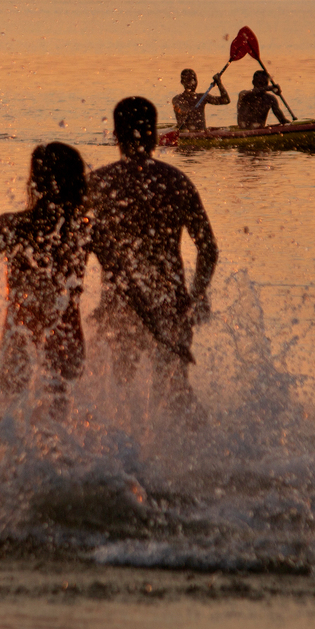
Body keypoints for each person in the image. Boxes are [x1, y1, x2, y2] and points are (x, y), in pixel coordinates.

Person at [87, 97, 219, 414]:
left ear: (115, 136)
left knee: (121, 390)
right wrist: (197, 295)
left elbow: (71, 240)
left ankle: (126, 445)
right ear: (155, 136)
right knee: (174, 391)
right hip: (171, 303)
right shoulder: (176, 182)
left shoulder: (99, 183)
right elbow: (208, 248)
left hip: (120, 304)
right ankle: (205, 443)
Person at [0, 143, 89, 417]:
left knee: (3, 417)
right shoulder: (84, 229)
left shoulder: (11, 225)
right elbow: (121, 277)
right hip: (67, 339)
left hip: (19, 338)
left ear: (35, 181)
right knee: (58, 422)